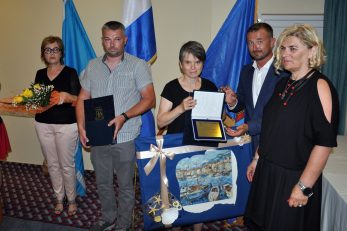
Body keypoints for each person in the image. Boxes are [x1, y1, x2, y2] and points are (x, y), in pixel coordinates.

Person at [244, 24, 339, 231]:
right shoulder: (283, 84)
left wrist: (303, 187)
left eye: (293, 48)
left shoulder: (320, 86)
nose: (285, 53)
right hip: (267, 172)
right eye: (283, 49)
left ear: (312, 50)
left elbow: (324, 143)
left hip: (293, 178)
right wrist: (257, 159)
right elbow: (270, 129)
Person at [76, 21, 155, 231]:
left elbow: (149, 99)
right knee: (102, 183)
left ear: (125, 40)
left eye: (117, 39)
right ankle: (108, 218)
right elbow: (82, 98)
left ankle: (123, 224)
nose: (112, 44)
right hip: (98, 136)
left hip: (126, 136)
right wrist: (81, 127)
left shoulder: (138, 65)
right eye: (107, 39)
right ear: (102, 40)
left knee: (126, 186)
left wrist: (124, 116)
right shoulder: (92, 65)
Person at [157, 41, 220, 231]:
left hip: (203, 148)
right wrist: (180, 108)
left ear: (203, 63)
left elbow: (216, 118)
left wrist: (226, 103)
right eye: (188, 62)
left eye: (197, 62)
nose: (193, 67)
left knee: (199, 193)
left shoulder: (210, 85)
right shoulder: (171, 88)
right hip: (178, 148)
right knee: (177, 193)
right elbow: (160, 122)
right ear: (180, 64)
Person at [222, 22, 289, 154]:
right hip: (250, 143)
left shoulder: (285, 72)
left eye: (259, 41)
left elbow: (282, 114)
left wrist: (248, 127)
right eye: (250, 43)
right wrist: (233, 101)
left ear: (272, 42)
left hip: (277, 142)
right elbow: (244, 102)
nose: (255, 47)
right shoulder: (246, 71)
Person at [34, 36, 81, 216]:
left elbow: (79, 100)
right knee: (52, 164)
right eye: (48, 50)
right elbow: (37, 100)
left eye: (55, 49)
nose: (52, 53)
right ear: (43, 54)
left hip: (66, 126)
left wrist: (66, 97)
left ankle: (71, 199)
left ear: (61, 53)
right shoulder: (39, 74)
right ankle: (59, 199)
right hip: (42, 124)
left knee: (66, 165)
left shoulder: (70, 72)